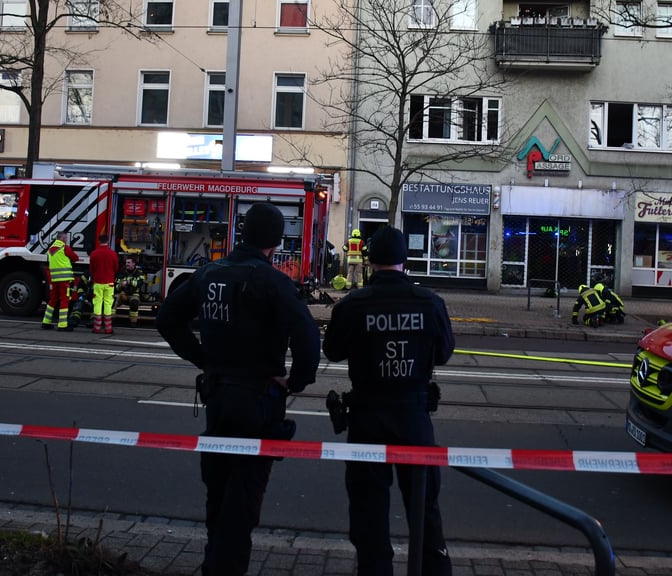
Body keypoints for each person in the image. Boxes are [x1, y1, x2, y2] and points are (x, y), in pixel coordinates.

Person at [156, 202, 321, 576]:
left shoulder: (208, 274)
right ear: (275, 242)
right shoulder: (272, 281)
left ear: (242, 233)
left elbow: (167, 319)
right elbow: (308, 337)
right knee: (243, 499)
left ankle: (213, 563)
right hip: (258, 402)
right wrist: (296, 381)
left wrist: (202, 359)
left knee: (217, 491)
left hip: (217, 396)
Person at [322, 226, 455, 576]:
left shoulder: (353, 304)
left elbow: (332, 351)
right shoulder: (429, 302)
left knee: (368, 511)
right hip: (414, 416)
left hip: (367, 416)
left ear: (369, 261)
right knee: (424, 507)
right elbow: (444, 353)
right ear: (404, 260)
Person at [41, 231, 79, 331]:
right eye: (65, 238)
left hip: (54, 279)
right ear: (62, 238)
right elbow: (75, 258)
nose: (66, 240)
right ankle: (62, 325)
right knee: (64, 300)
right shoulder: (64, 247)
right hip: (64, 280)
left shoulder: (50, 248)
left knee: (53, 299)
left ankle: (46, 322)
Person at [89, 234, 120, 334]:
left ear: (99, 241)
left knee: (97, 303)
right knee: (108, 304)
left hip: (98, 282)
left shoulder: (94, 253)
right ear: (108, 241)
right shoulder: (113, 254)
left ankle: (97, 327)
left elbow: (91, 269)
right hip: (109, 282)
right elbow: (116, 268)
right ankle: (108, 328)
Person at [115, 257, 147, 325]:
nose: (126, 264)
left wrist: (128, 282)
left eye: (129, 262)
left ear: (133, 264)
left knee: (134, 303)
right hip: (122, 294)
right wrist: (121, 286)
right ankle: (111, 319)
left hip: (134, 295)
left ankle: (133, 322)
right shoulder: (122, 273)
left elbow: (140, 284)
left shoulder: (139, 273)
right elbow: (116, 286)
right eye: (126, 263)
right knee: (112, 301)